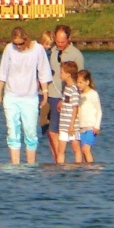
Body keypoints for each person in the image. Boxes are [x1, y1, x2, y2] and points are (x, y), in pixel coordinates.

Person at [0, 27, 52, 164]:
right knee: (12, 132)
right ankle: (15, 164)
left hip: (29, 97)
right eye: (15, 44)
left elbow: (43, 73)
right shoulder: (9, 49)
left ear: (26, 39)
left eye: (21, 43)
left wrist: (45, 95)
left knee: (30, 133)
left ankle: (31, 164)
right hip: (11, 97)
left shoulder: (37, 49)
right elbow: (3, 72)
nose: (18, 46)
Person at [44, 25, 85, 163]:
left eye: (63, 42)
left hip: (64, 98)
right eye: (57, 41)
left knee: (57, 131)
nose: (60, 44)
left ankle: (61, 161)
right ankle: (58, 160)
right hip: (48, 95)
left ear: (69, 38)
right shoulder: (51, 51)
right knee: (48, 131)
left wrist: (68, 99)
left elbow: (80, 80)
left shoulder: (76, 55)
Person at [54, 59, 84, 156]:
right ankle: (61, 168)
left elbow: (75, 108)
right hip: (63, 124)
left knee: (76, 148)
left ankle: (78, 167)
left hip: (72, 125)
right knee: (60, 150)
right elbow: (67, 102)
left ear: (68, 74)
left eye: (61, 72)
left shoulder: (74, 90)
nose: (60, 74)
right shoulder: (66, 88)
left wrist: (71, 126)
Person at [73, 70, 101, 164]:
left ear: (87, 82)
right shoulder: (79, 95)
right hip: (81, 127)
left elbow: (99, 111)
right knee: (83, 150)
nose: (78, 84)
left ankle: (92, 168)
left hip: (91, 127)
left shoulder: (93, 94)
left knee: (86, 149)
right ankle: (86, 168)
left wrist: (97, 125)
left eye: (81, 82)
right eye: (77, 82)